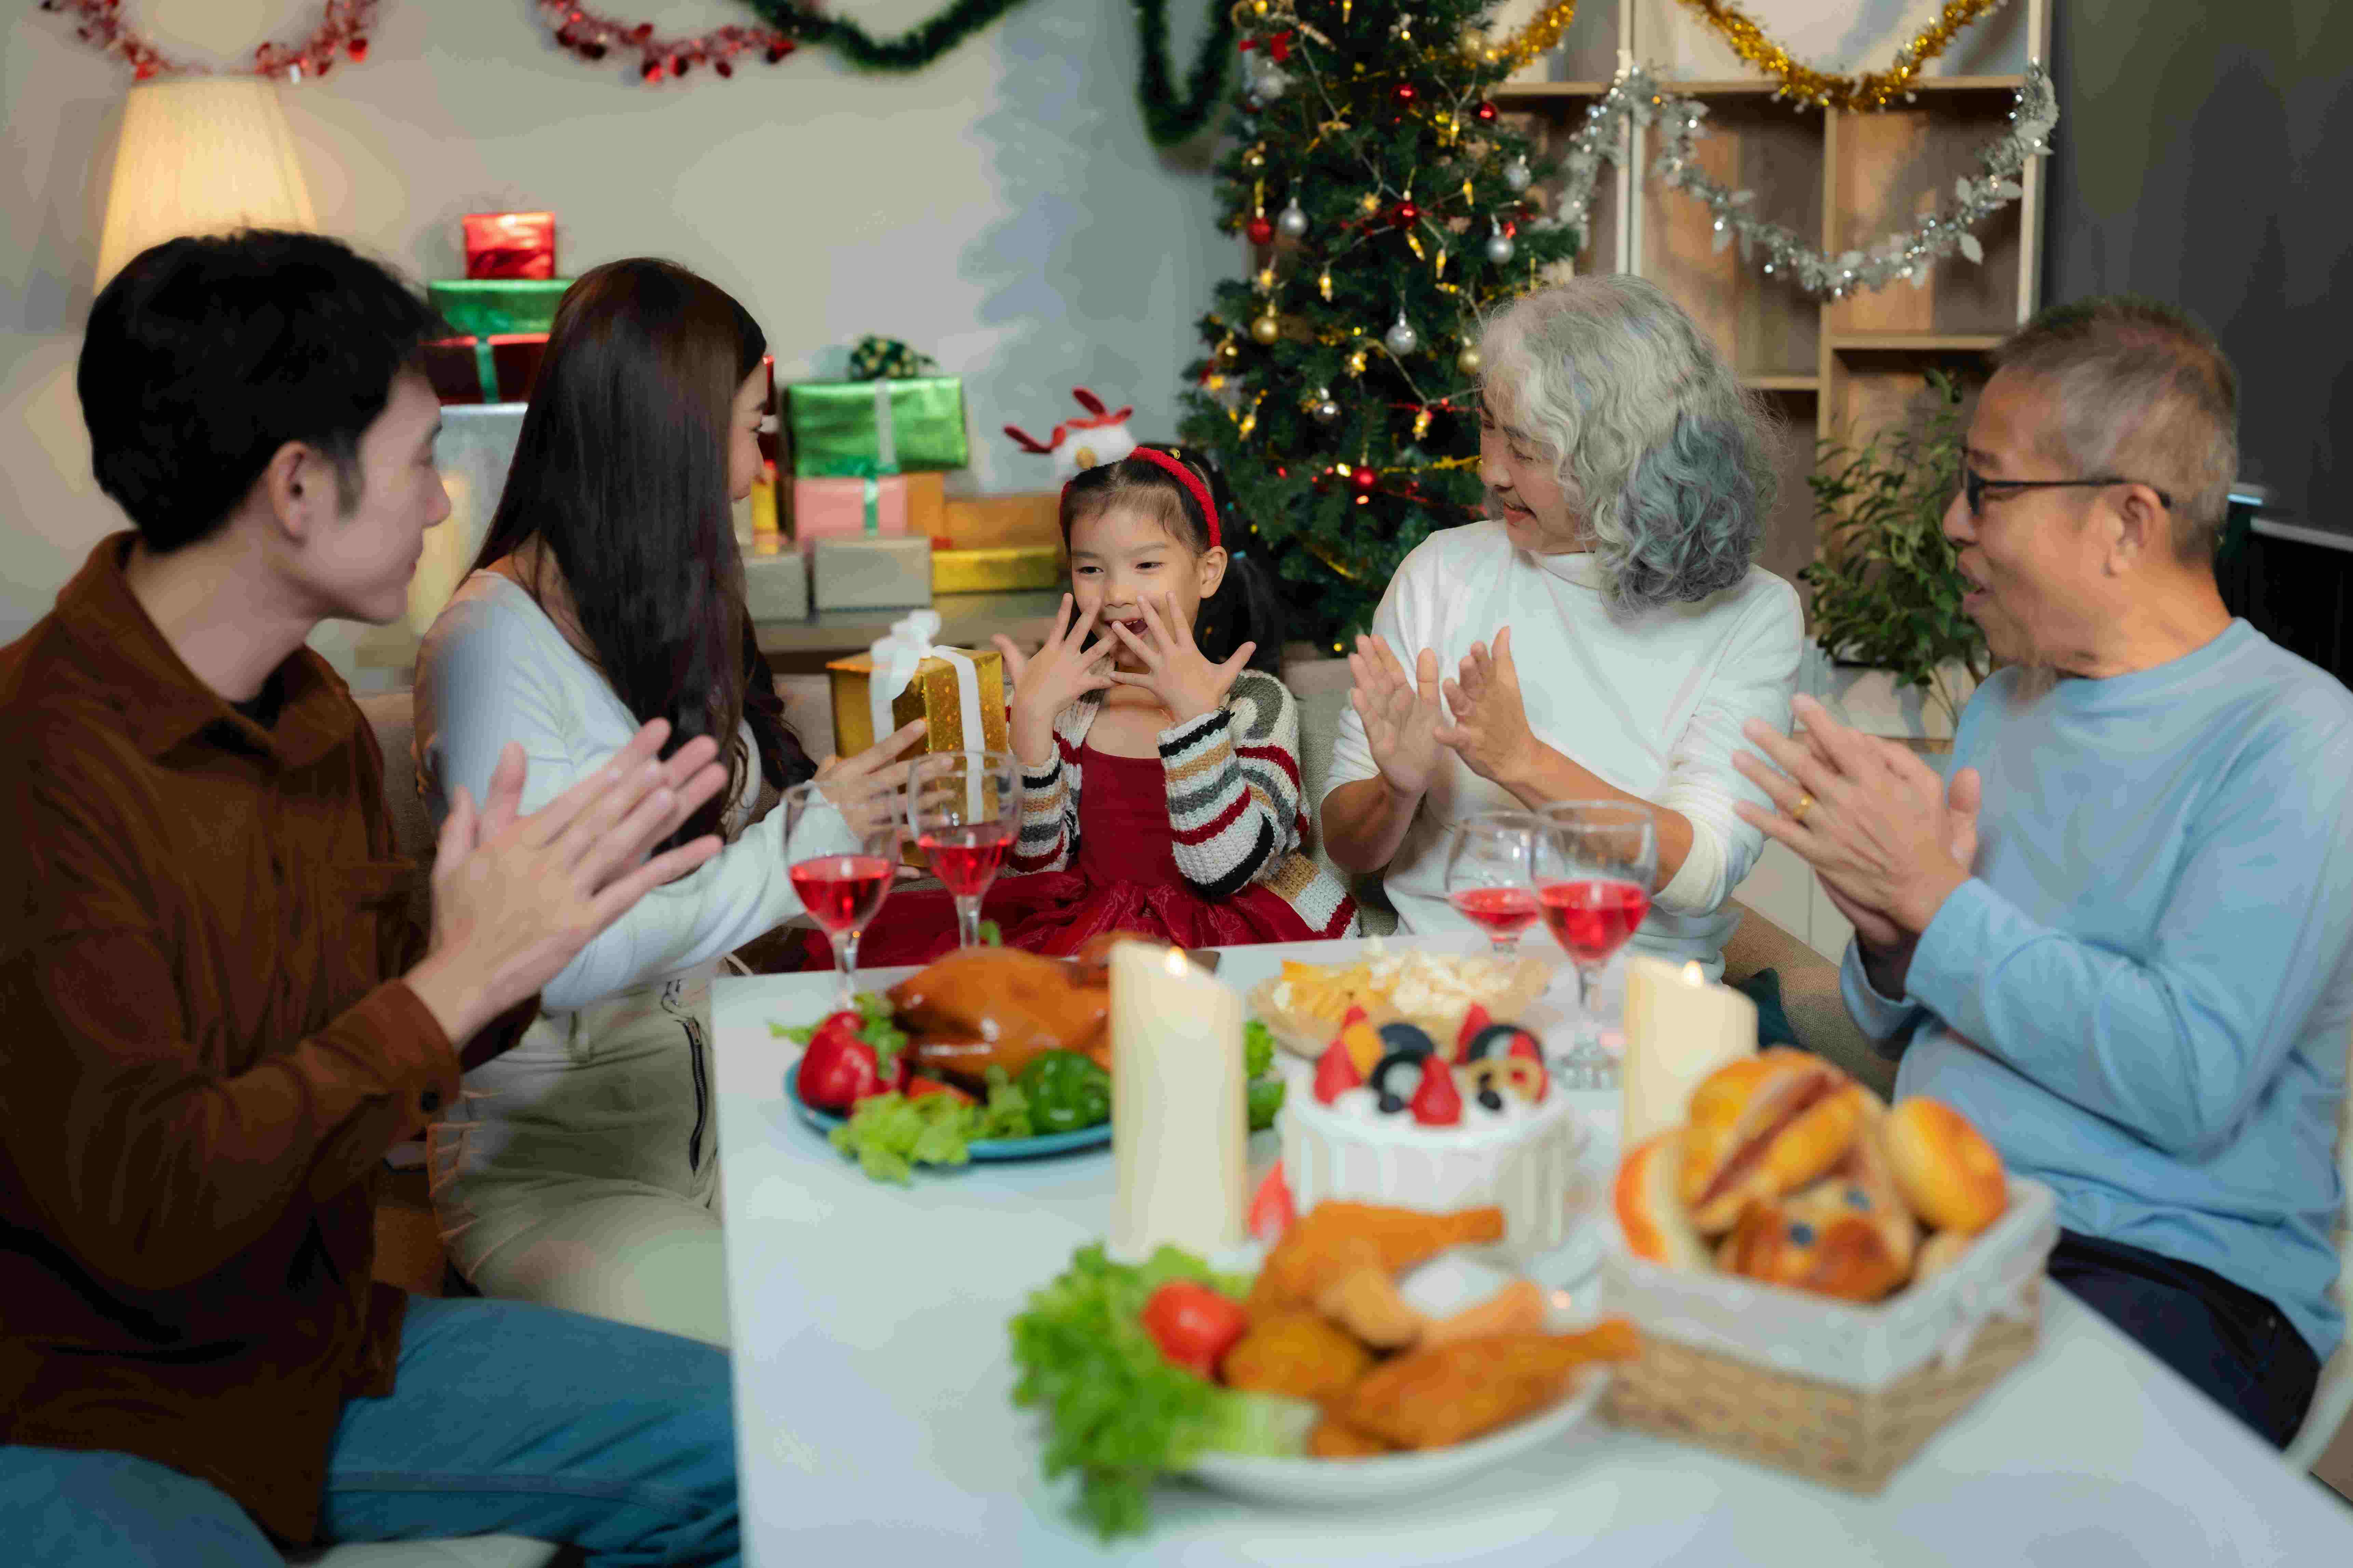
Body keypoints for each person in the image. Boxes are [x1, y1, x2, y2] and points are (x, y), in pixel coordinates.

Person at [0, 231, 743, 1565]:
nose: (443, 505)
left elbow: (376, 1035)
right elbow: (150, 1204)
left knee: (752, 1444)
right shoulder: (39, 762)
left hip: (319, 1346)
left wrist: (509, 951)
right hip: (82, 1403)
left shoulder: (315, 718)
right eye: (416, 462)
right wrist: (453, 979)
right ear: (297, 486)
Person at [1735, 296, 2352, 1447]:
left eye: (1988, 488)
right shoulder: (2007, 709)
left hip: (2163, 1272)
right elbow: (1910, 1019)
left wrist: (1936, 907)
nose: (1954, 524)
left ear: (2123, 522)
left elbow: (2186, 1075)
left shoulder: (2296, 741)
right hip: (1941, 1221)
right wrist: (1885, 936)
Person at [413, 258, 924, 1347]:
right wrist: (801, 848)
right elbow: (552, 955)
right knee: (800, 1359)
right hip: (562, 1173)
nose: (754, 468)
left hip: (721, 1126)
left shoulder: (655, 599)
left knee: (922, 1286)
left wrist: (848, 819)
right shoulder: (492, 643)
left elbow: (744, 854)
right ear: (676, 437)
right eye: (750, 428)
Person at [1321, 275, 1803, 975]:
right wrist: (1397, 791)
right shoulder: (1441, 572)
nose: (1491, 471)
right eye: (1488, 425)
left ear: (1625, 459)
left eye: (1527, 448)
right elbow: (1349, 848)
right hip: (1436, 985)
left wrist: (1523, 763)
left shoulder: (1751, 614)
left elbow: (1700, 872)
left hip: (1632, 997)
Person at [846, 445, 1355, 965]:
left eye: (1147, 564)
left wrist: (1196, 720)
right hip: (1086, 929)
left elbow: (1223, 871)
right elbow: (1034, 877)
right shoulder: (1068, 703)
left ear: (1207, 571)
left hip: (1227, 926)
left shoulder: (1256, 702)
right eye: (1090, 569)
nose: (1115, 592)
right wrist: (1030, 727)